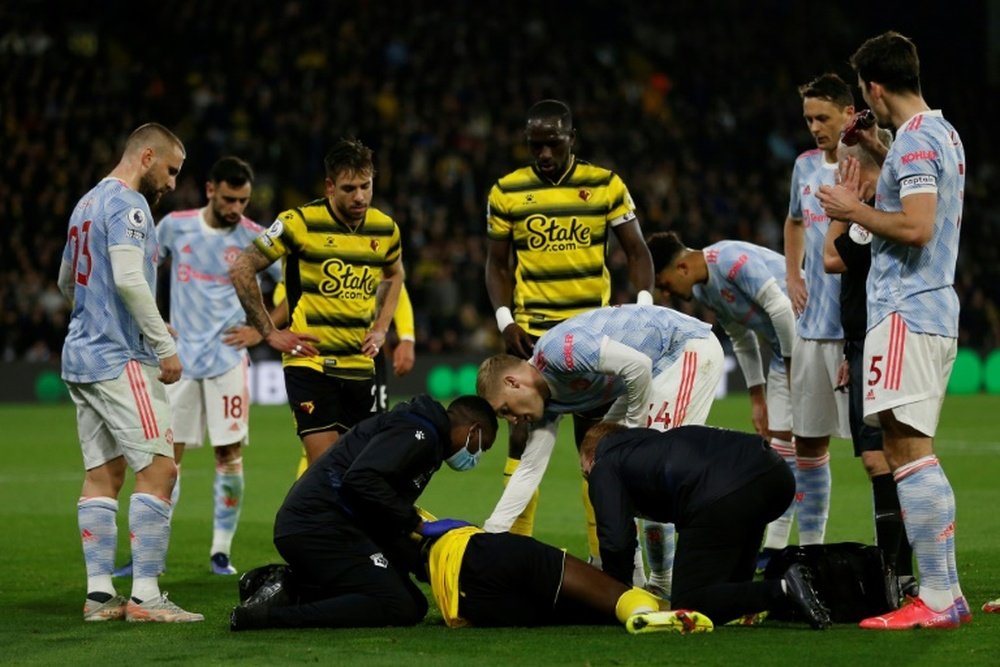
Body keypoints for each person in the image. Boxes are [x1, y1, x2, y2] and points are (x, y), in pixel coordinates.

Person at [817, 31, 970, 630]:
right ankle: (945, 591)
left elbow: (917, 226)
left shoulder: (915, 144)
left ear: (874, 88)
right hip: (923, 308)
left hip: (907, 310)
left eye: (864, 94)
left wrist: (851, 211)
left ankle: (936, 598)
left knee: (908, 452)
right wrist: (877, 146)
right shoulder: (939, 132)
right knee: (908, 450)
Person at [483, 99, 655, 572]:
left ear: (571, 139)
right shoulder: (507, 192)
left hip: (592, 345)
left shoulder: (605, 185)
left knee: (598, 448)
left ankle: (607, 559)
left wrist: (640, 312)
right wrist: (505, 321)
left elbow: (637, 252)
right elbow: (497, 265)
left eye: (552, 144)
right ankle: (511, 555)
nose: (543, 154)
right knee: (520, 447)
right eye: (535, 145)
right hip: (531, 341)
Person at [476, 303, 724, 596]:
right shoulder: (547, 404)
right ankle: (635, 578)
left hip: (684, 348)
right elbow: (529, 471)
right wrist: (489, 534)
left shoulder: (558, 351)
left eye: (505, 409)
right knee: (606, 464)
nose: (512, 420)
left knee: (651, 470)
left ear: (513, 382)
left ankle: (664, 582)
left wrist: (634, 438)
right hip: (654, 366)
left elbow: (638, 367)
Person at [58, 122, 202, 622]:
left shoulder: (85, 204)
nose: (172, 182)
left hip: (80, 357)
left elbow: (66, 282)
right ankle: (145, 595)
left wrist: (98, 317)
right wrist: (161, 343)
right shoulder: (129, 205)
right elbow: (126, 278)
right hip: (120, 358)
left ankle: (100, 596)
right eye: (171, 170)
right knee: (160, 469)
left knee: (103, 475)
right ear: (146, 157)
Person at [228, 394, 498, 631]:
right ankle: (269, 616)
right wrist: (417, 524)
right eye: (481, 447)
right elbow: (362, 480)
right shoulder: (419, 432)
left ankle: (284, 584)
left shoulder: (424, 434)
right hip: (318, 525)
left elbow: (380, 509)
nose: (475, 455)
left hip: (329, 523)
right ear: (473, 430)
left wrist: (423, 561)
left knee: (414, 602)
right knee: (398, 605)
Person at [230, 138, 405, 468]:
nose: (359, 196)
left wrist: (381, 329)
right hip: (311, 363)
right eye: (349, 188)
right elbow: (242, 268)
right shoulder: (299, 223)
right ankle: (302, 520)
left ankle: (317, 520)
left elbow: (394, 276)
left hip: (359, 365)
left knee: (358, 468)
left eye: (365, 186)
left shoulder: (385, 229)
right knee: (325, 466)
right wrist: (270, 332)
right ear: (329, 186)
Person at [150, 156, 281, 576]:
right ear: (210, 190)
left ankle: (220, 552)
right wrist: (153, 321)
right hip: (179, 361)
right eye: (228, 199)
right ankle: (153, 548)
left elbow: (292, 289)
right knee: (167, 458)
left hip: (227, 360)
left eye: (243, 200)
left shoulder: (255, 238)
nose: (236, 209)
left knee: (229, 454)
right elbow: (142, 268)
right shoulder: (174, 225)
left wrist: (261, 331)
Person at [580, 421, 831, 629]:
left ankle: (784, 588)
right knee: (729, 595)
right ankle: (796, 593)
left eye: (585, 472)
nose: (588, 478)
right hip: (774, 475)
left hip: (722, 493)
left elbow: (616, 539)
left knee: (689, 602)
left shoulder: (605, 464)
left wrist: (616, 594)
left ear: (590, 457)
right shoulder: (653, 444)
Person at [646, 231, 799, 564]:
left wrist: (791, 368)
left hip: (814, 337)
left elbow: (782, 310)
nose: (665, 292)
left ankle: (812, 545)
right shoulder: (704, 289)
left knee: (812, 449)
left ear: (682, 267)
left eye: (664, 282)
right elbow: (741, 338)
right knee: (781, 446)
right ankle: (775, 550)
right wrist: (757, 398)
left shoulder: (729, 260)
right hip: (783, 352)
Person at [821, 134, 916, 599]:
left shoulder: (873, 213)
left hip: (885, 342)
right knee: (883, 460)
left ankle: (900, 572)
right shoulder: (868, 217)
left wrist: (843, 208)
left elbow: (829, 258)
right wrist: (848, 349)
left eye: (842, 170)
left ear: (854, 172)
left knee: (890, 459)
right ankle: (896, 571)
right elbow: (851, 281)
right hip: (862, 346)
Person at [783, 73, 854, 551]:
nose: (814, 127)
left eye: (823, 117)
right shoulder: (805, 166)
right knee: (808, 443)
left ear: (849, 114)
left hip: (853, 330)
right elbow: (792, 221)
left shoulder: (865, 167)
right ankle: (812, 550)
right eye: (809, 118)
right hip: (811, 330)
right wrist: (793, 276)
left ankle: (896, 561)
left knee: (879, 453)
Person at [417, 523, 712, 634]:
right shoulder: (404, 509)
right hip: (482, 550)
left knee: (587, 609)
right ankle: (650, 611)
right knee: (611, 594)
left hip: (465, 605)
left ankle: (667, 612)